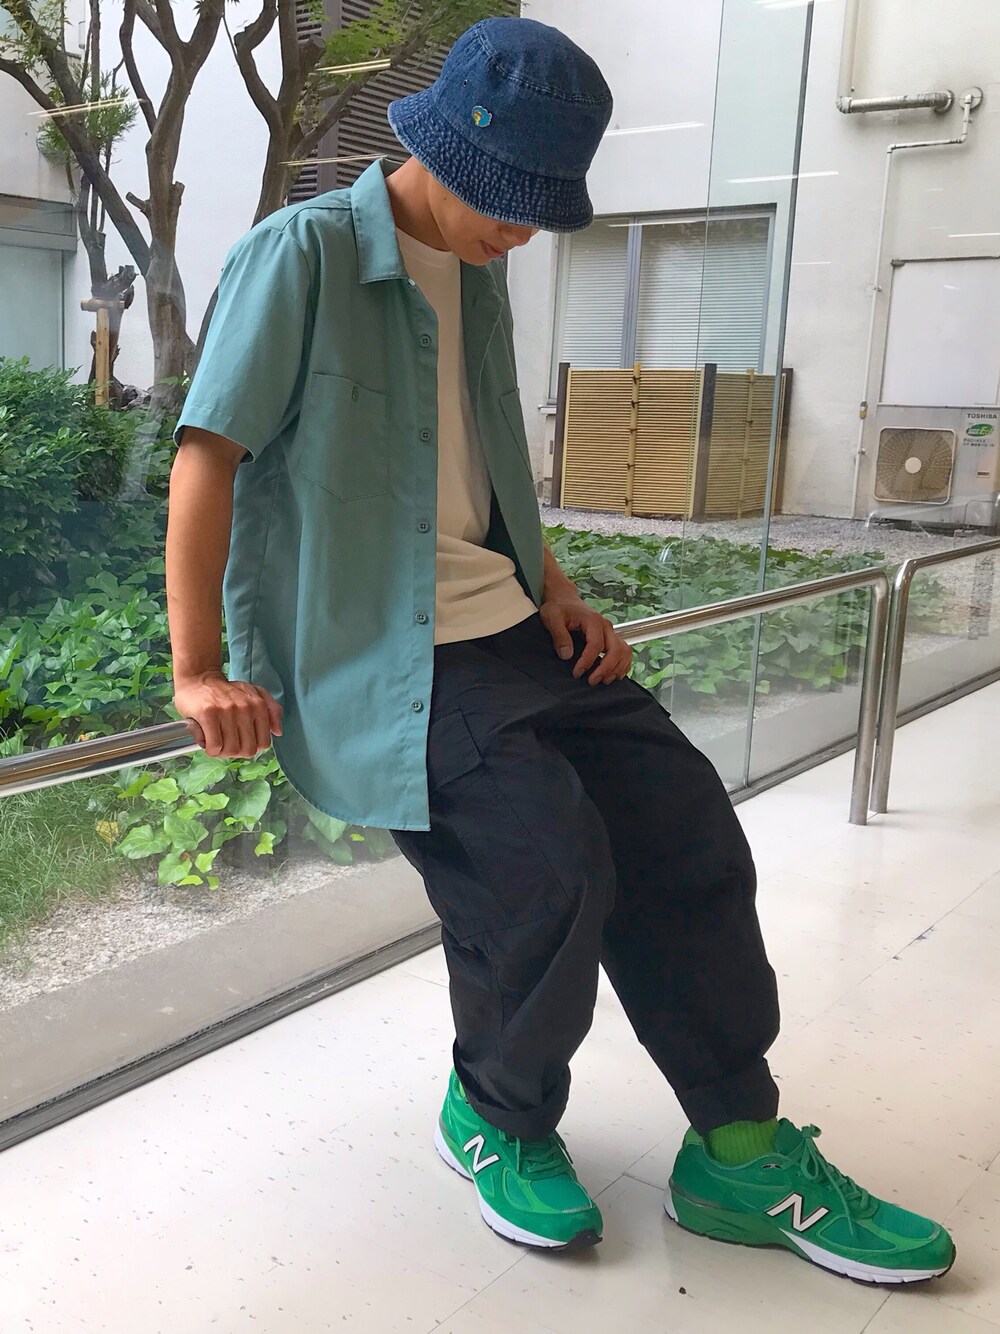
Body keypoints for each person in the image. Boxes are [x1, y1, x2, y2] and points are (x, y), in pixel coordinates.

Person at [165, 16, 955, 1283]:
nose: (523, 232)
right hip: (390, 653)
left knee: (686, 824)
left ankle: (738, 1147)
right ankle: (497, 1112)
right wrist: (198, 667)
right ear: (442, 148)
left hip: (509, 626)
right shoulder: (301, 254)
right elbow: (208, 457)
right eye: (510, 202)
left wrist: (559, 590)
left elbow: (483, 468)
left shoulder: (476, 275)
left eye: (542, 209)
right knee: (543, 864)